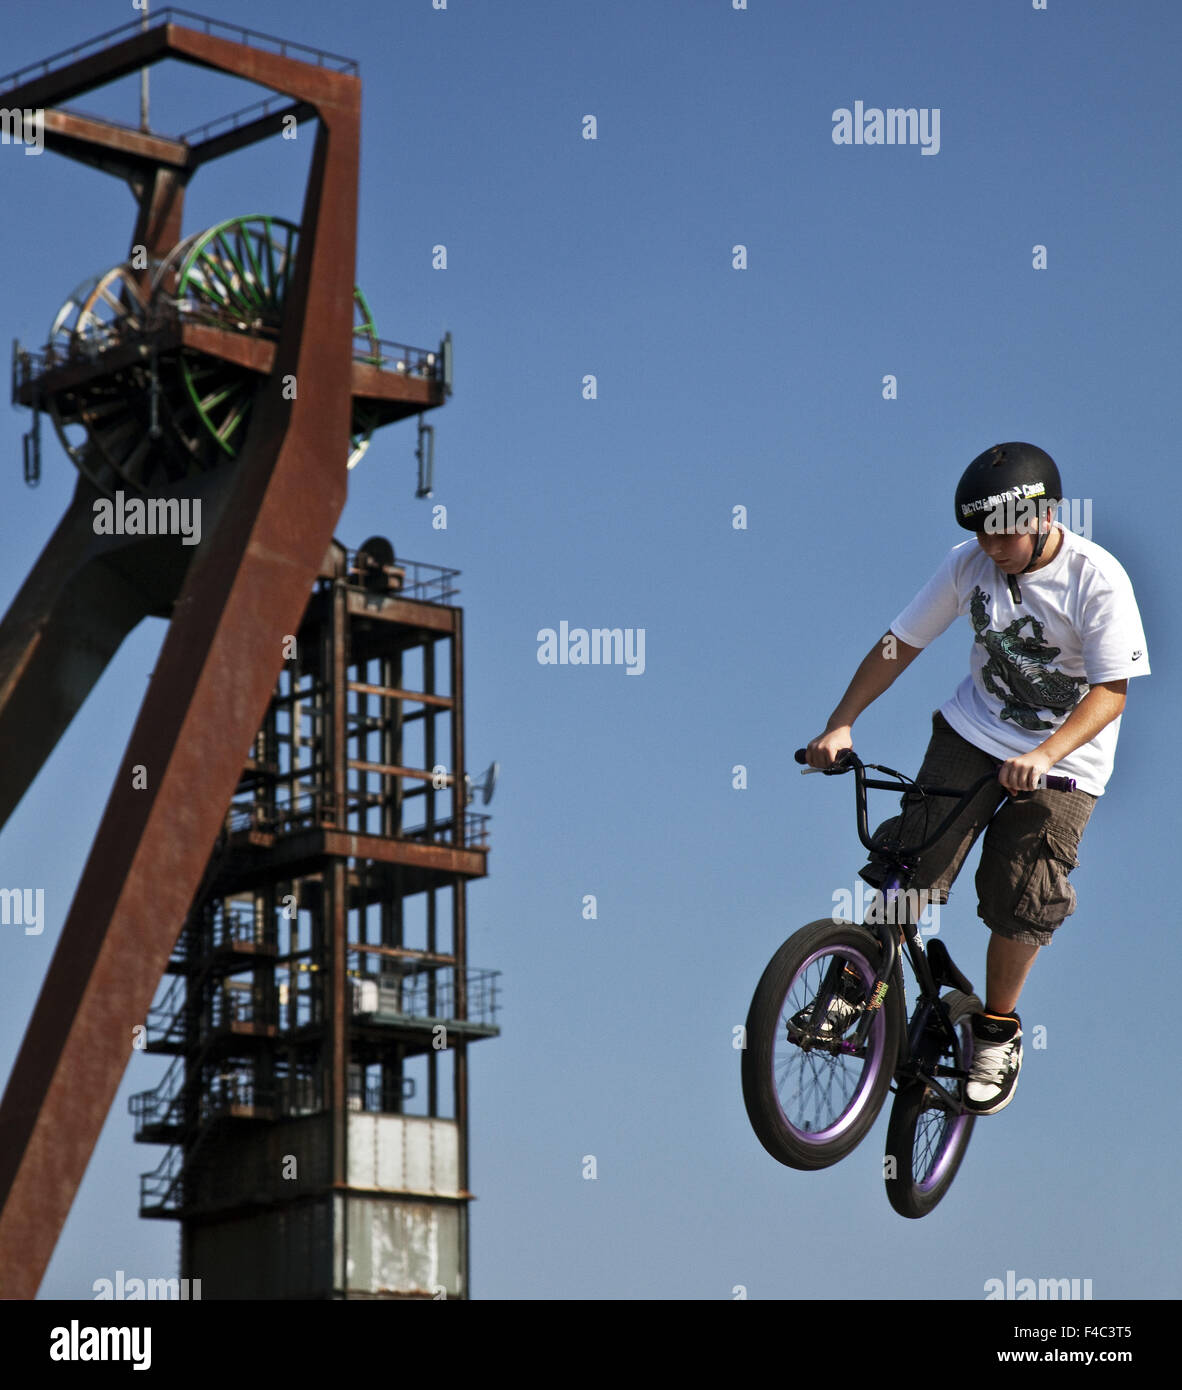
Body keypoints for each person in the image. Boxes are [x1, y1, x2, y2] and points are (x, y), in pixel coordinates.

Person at [804, 443, 1149, 1114]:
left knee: (1022, 889)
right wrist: (840, 721)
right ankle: (858, 976)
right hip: (973, 732)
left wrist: (1046, 756)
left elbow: (1111, 693)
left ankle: (995, 1030)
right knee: (917, 854)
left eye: (1004, 532)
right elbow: (899, 643)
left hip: (1064, 759)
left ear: (1044, 516)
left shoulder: (1096, 579)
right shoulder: (968, 567)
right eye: (979, 534)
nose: (990, 547)